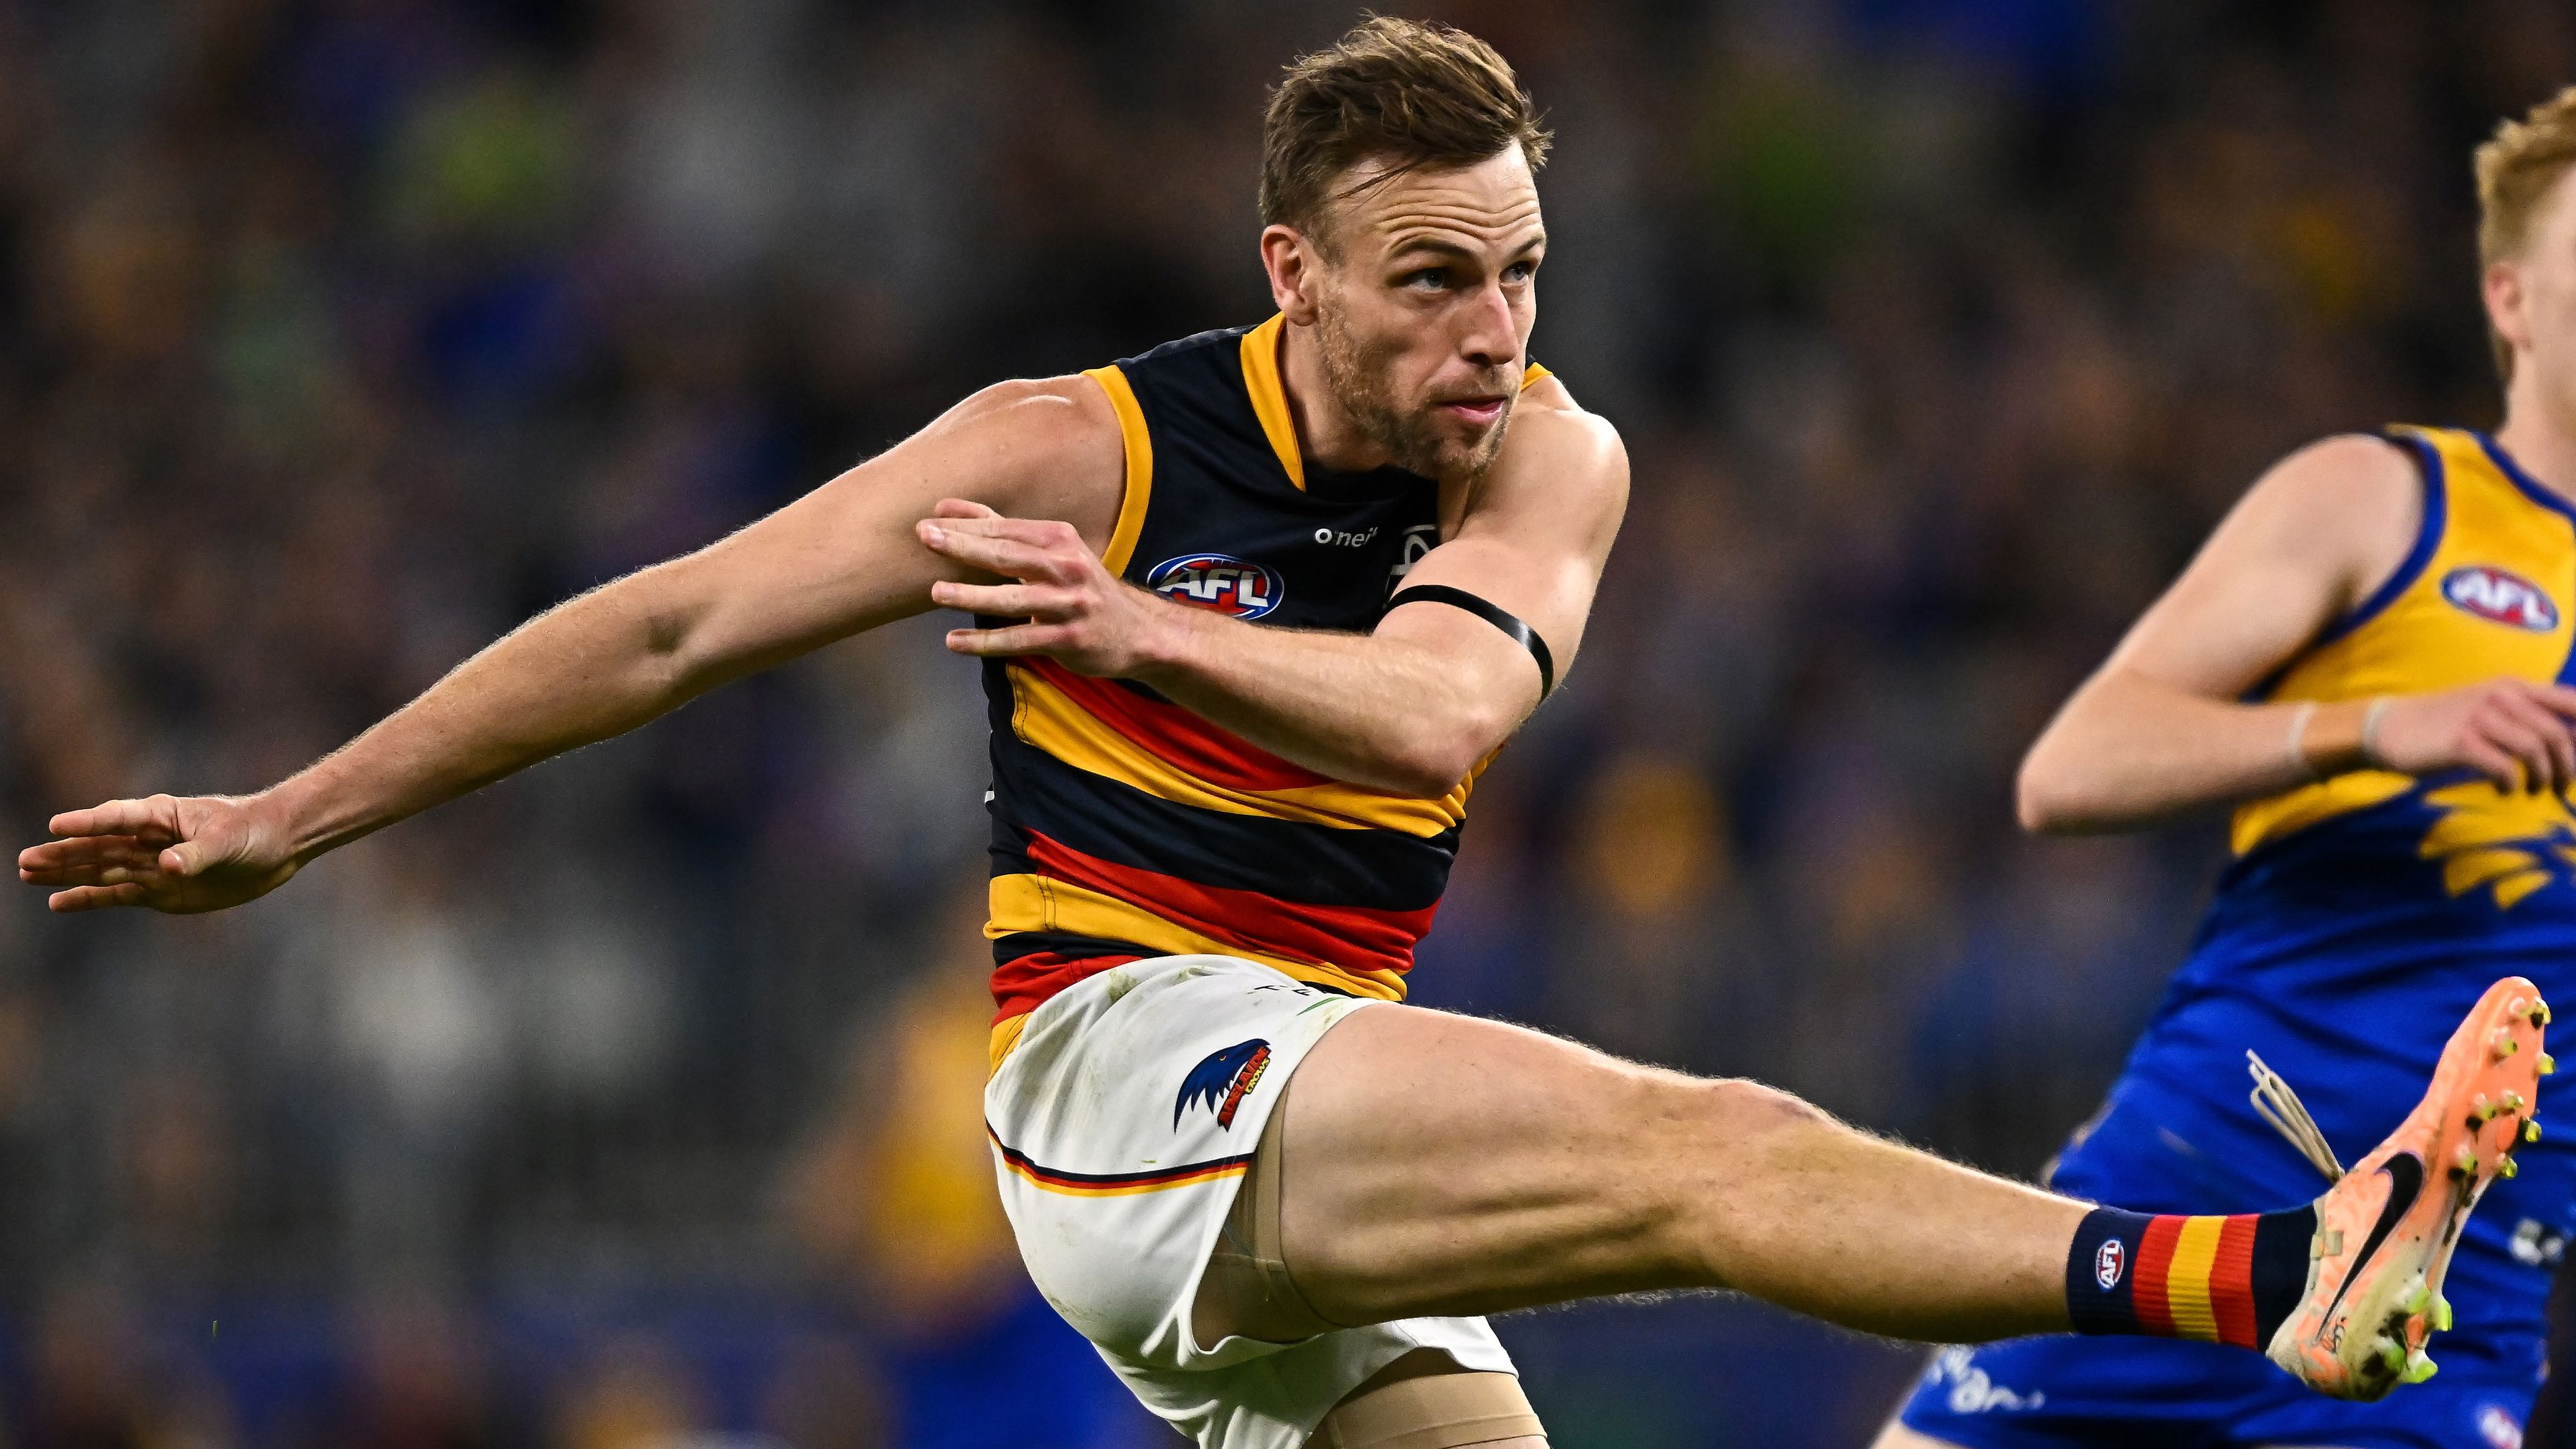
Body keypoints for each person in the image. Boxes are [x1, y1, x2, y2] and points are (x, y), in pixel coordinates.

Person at [14, 19, 2548, 1449]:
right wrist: (287, 815)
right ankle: (2261, 1283)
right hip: (1113, 1084)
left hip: (1309, 1111)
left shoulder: (1557, 452)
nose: (1493, 335)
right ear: (1291, 278)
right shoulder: (1069, 448)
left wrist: (1129, 643)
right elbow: (669, 631)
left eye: (1525, 274)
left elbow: (1439, 709)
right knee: (1709, 1151)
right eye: (1432, 283)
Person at [1885, 86, 2576, 1449]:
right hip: (2198, 1187)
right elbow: (2069, 768)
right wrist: (2374, 730)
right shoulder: (2386, 502)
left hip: (2451, 1285)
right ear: (2509, 300)